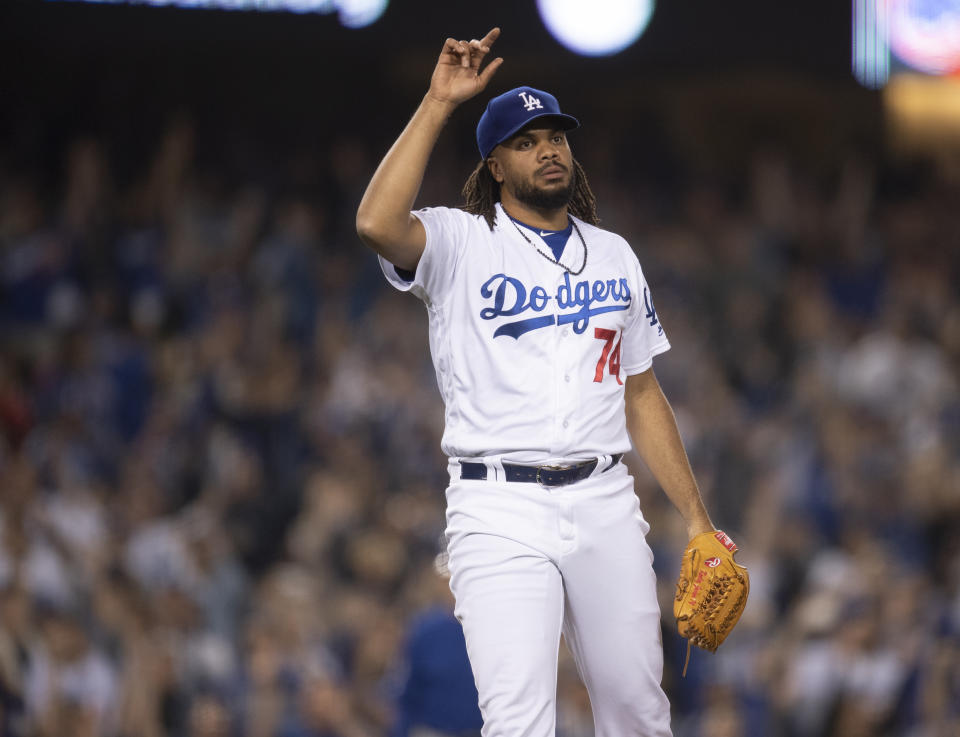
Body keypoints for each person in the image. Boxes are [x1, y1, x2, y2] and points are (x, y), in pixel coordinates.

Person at [356, 27, 716, 737]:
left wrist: (698, 519)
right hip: (497, 509)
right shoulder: (460, 241)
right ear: (494, 164)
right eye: (525, 140)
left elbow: (641, 393)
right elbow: (374, 222)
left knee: (642, 714)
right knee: (519, 722)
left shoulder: (613, 252)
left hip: (605, 498)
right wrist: (437, 103)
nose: (547, 148)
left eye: (555, 135)